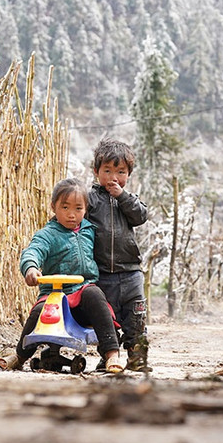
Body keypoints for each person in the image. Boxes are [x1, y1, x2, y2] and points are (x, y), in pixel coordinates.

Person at [0, 177, 124, 373]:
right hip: (54, 294)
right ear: (53, 206)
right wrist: (31, 268)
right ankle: (19, 356)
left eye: (78, 209)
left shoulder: (89, 231)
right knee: (38, 313)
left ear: (85, 209)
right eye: (65, 207)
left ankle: (112, 354)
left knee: (96, 295)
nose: (72, 214)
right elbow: (33, 251)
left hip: (82, 292)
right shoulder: (48, 234)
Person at [86, 138, 150, 371]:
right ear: (96, 172)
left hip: (131, 272)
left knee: (136, 318)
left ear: (128, 174)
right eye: (108, 171)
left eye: (121, 171)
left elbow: (140, 216)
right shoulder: (89, 200)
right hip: (102, 273)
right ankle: (108, 356)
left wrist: (122, 196)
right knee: (106, 319)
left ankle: (137, 357)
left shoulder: (128, 199)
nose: (114, 177)